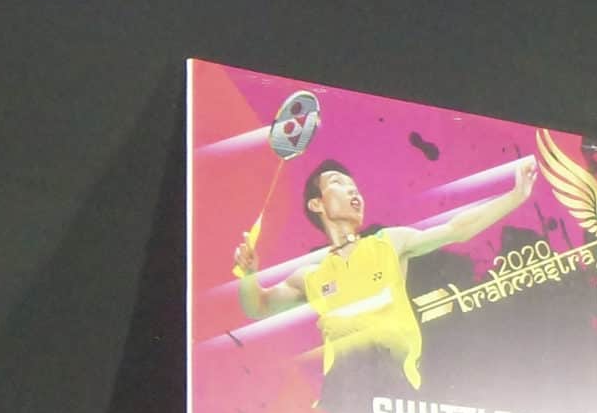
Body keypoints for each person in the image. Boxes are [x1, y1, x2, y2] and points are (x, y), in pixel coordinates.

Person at [229, 150, 535, 392]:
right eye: (338, 183)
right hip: (343, 398)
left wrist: (515, 196)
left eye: (354, 187)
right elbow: (258, 306)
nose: (352, 191)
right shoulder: (312, 276)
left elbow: (456, 229)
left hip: (394, 389)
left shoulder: (389, 243)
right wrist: (249, 274)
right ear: (316, 204)